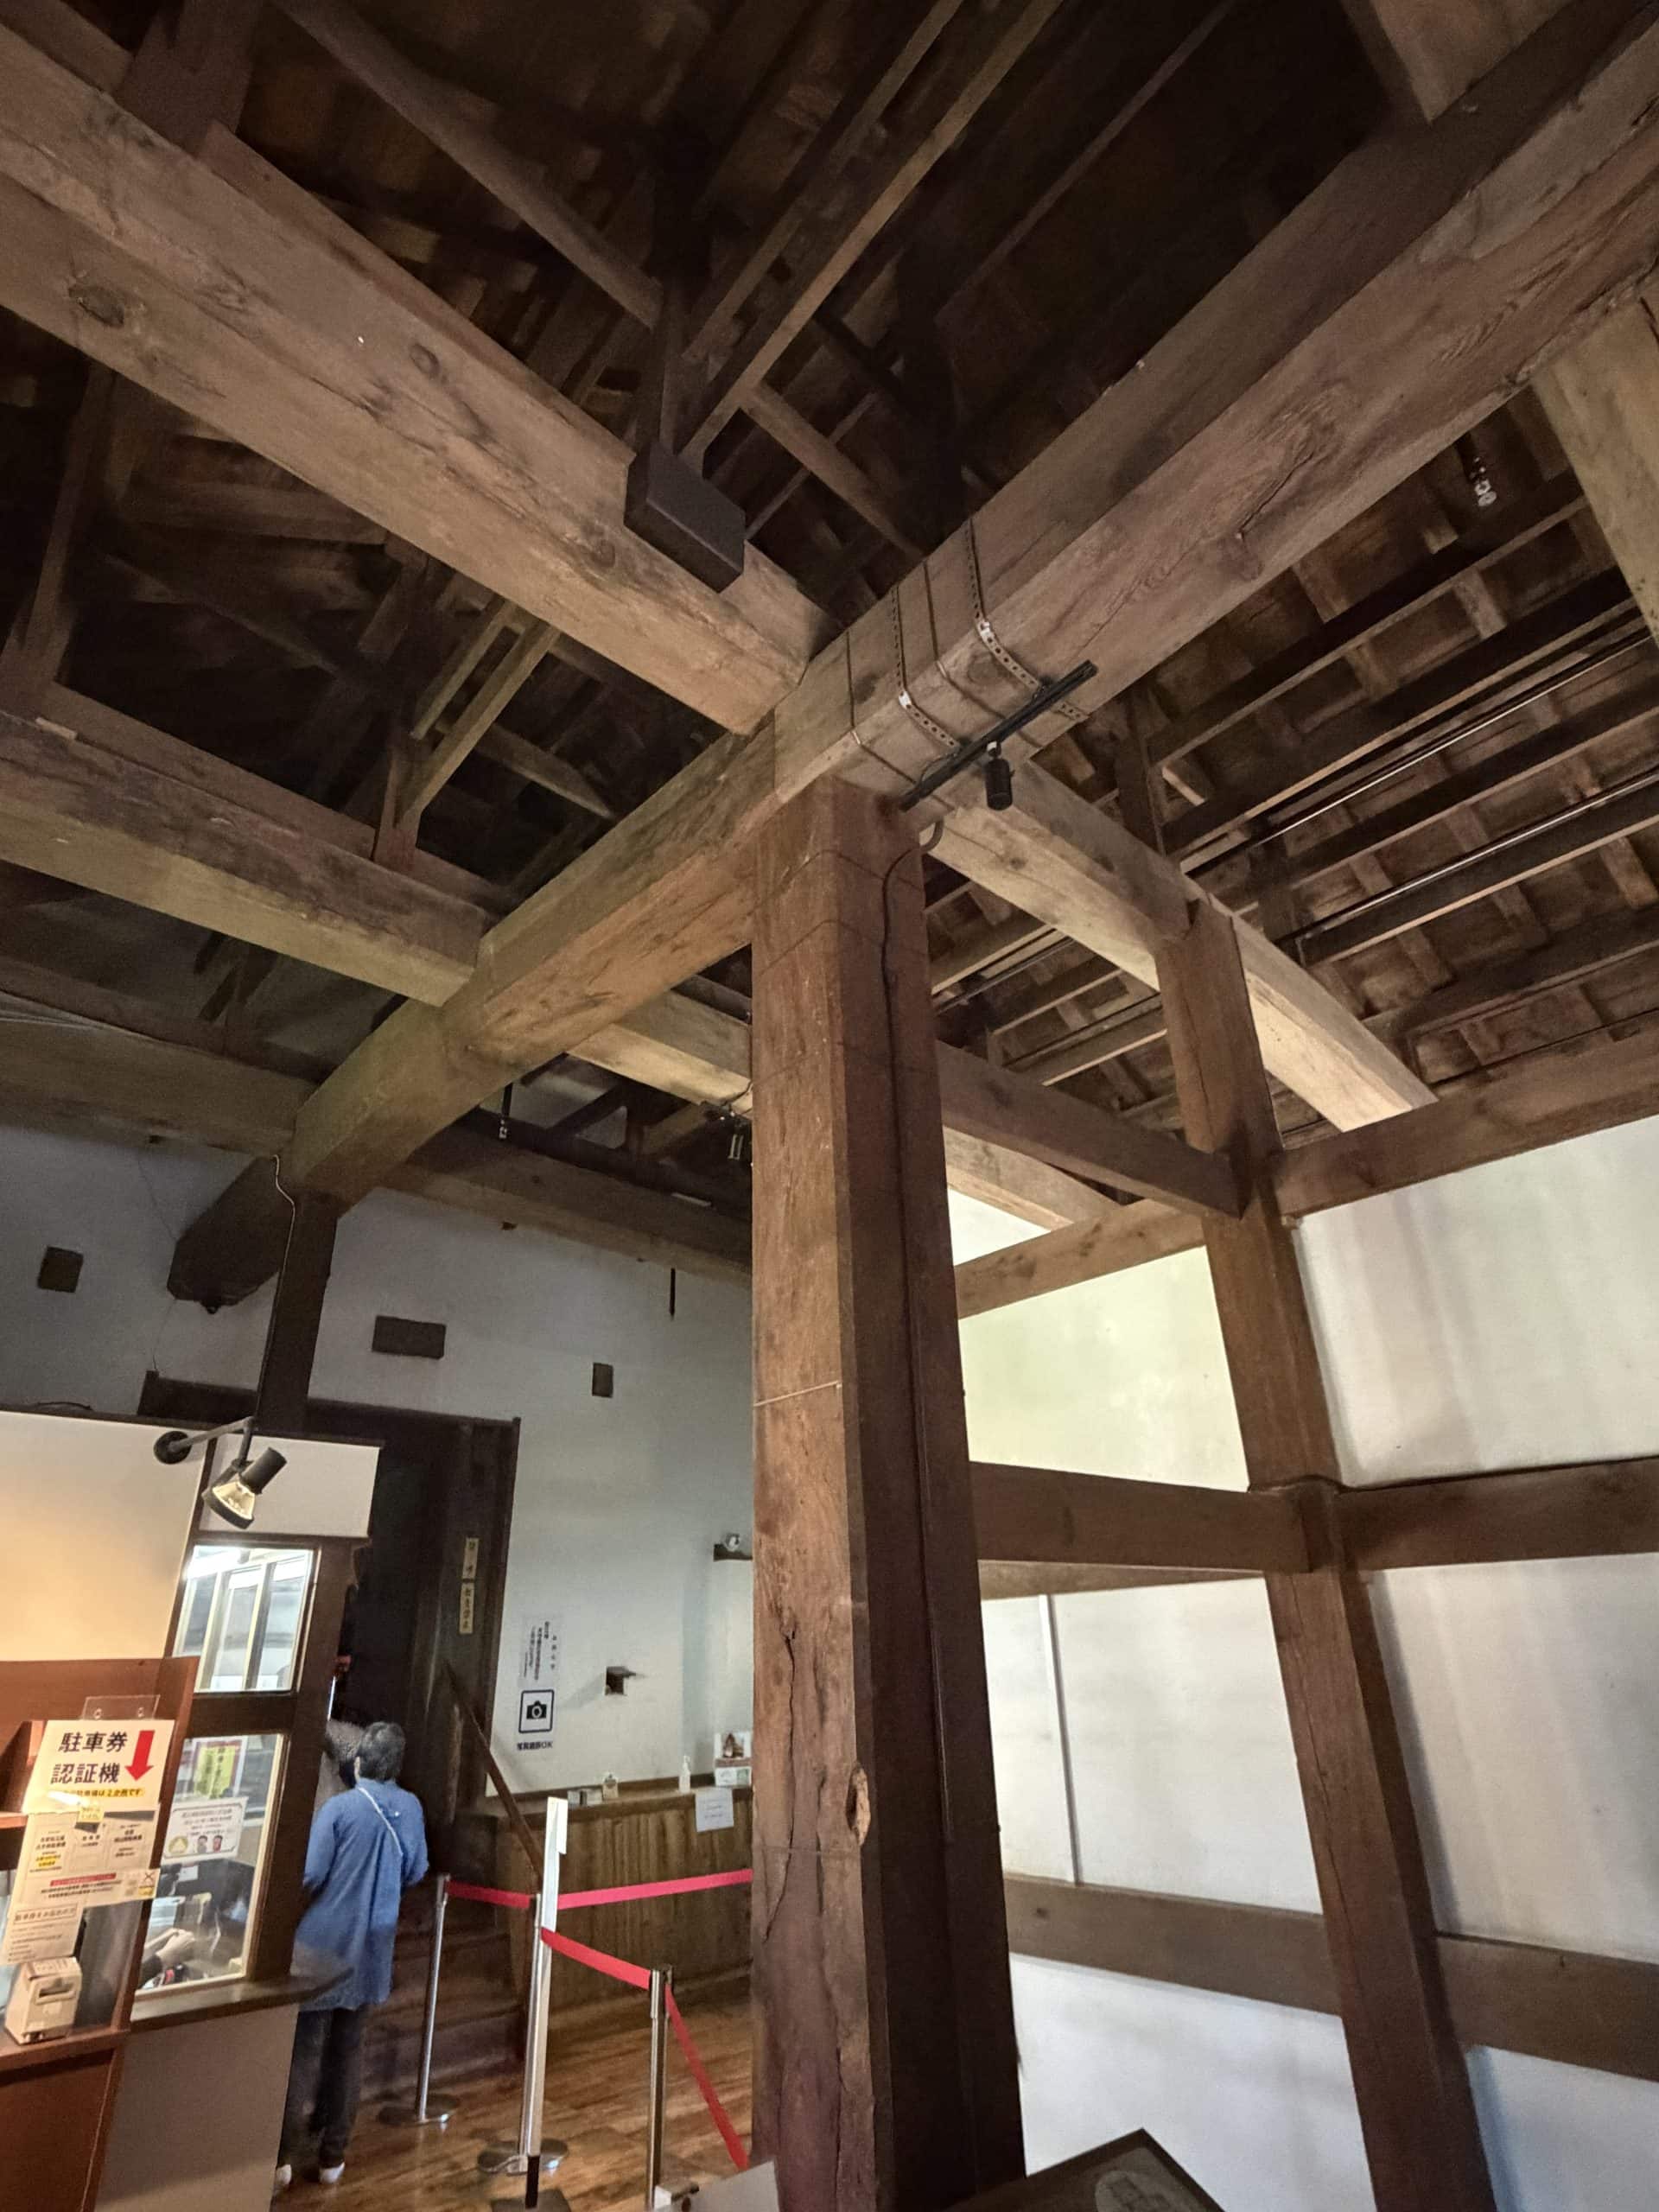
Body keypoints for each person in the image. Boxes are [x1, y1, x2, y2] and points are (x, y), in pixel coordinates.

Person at [276, 1721, 428, 2191]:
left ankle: (280, 2157)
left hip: (322, 1945)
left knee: (304, 2051)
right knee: (349, 2050)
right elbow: (417, 1869)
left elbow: (310, 1873)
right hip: (372, 1946)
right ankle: (332, 2156)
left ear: (358, 1760)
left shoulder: (340, 1809)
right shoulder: (411, 1807)